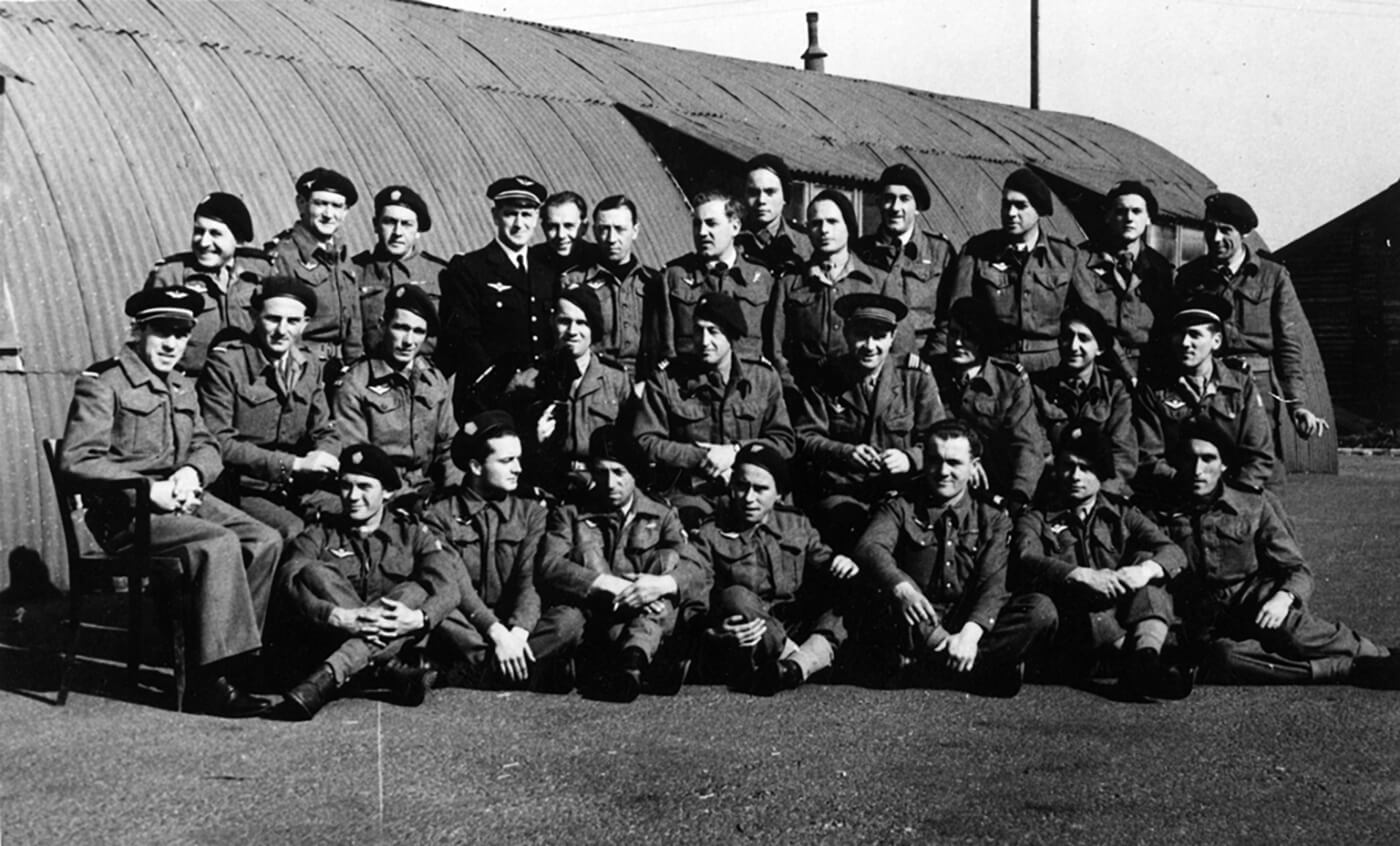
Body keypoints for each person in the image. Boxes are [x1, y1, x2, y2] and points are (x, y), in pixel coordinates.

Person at [59, 287, 280, 717]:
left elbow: (207, 444)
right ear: (138, 331)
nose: (172, 344)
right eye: (162, 331)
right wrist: (146, 488)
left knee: (264, 539)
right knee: (217, 545)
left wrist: (192, 472)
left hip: (180, 499)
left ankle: (233, 663)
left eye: (181, 334)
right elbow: (77, 459)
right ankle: (207, 681)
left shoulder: (181, 385)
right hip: (129, 515)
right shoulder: (104, 384)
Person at [1152, 420, 1399, 688]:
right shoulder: (1160, 509)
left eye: (1208, 459)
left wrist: (1284, 597)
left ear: (1223, 465)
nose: (1198, 470)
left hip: (1250, 603)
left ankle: (1377, 654)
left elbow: (1297, 569)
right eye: (1189, 459)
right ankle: (1334, 669)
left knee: (1292, 628)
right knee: (1224, 658)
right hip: (1197, 618)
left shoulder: (1253, 504)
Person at [853, 420, 1056, 695]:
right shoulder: (901, 505)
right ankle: (974, 671)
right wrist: (901, 587)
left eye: (954, 463)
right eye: (934, 461)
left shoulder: (993, 517)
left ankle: (932, 669)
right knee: (881, 597)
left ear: (974, 466)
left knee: (1040, 610)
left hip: (967, 620)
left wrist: (970, 636)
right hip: (917, 617)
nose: (942, 471)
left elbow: (993, 583)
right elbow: (870, 546)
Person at [276, 444, 457, 720]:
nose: (352, 496)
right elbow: (288, 578)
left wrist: (419, 619)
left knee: (415, 591)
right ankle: (386, 668)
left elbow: (448, 587)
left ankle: (330, 675)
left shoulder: (412, 533)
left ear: (387, 492)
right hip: (333, 637)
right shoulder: (320, 532)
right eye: (346, 486)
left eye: (364, 487)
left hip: (400, 635)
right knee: (313, 572)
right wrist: (337, 616)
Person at [1012, 423, 1190, 699]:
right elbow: (1026, 557)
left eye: (1086, 468)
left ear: (1102, 473)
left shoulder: (1121, 512)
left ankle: (1145, 659)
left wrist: (1143, 571)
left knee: (1148, 564)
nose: (1075, 476)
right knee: (1074, 596)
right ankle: (1137, 665)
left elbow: (1173, 552)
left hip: (1120, 615)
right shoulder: (1036, 516)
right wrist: (1080, 574)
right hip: (1073, 631)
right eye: (1068, 466)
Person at [537, 427, 708, 702]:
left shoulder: (662, 515)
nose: (610, 482)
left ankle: (632, 663)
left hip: (644, 615)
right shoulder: (570, 513)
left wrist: (658, 585)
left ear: (635, 474)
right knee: (567, 620)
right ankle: (636, 666)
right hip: (593, 613)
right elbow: (550, 565)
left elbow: (696, 569)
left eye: (619, 472)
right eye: (601, 471)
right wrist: (607, 584)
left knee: (667, 567)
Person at [423, 412, 583, 690]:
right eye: (507, 461)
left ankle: (482, 671)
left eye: (518, 459)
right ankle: (522, 670)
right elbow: (457, 587)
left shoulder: (531, 512)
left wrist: (517, 635)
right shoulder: (439, 516)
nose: (519, 468)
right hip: (470, 622)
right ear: (475, 467)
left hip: (516, 624)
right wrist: (496, 633)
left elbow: (529, 580)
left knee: (570, 619)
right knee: (438, 611)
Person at [1174, 192, 1330, 471]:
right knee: (1206, 468)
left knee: (1259, 470)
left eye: (1226, 231)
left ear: (1243, 233)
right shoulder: (1190, 277)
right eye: (1210, 230)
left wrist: (1298, 406)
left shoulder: (1273, 276)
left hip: (1257, 388)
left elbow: (1289, 346)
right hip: (1206, 385)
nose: (1216, 238)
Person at [692, 444, 854, 694]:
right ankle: (806, 661)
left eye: (760, 489)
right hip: (751, 630)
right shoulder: (711, 532)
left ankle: (792, 668)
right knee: (736, 596)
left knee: (846, 596)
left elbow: (823, 561)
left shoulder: (796, 523)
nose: (748, 498)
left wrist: (841, 562)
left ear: (779, 494)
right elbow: (695, 598)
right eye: (741, 486)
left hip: (792, 622)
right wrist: (713, 631)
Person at [794, 294, 945, 549]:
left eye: (879, 337)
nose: (869, 346)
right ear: (846, 334)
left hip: (902, 494)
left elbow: (938, 439)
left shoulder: (915, 378)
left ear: (892, 337)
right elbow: (805, 437)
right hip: (845, 493)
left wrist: (909, 459)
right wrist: (846, 453)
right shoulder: (826, 378)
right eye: (861, 335)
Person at [634, 292, 795, 527]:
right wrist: (702, 458)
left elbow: (784, 441)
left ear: (731, 335)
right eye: (698, 330)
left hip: (753, 493)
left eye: (713, 331)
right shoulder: (668, 380)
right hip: (693, 492)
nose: (703, 340)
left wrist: (735, 452)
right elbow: (645, 440)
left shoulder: (763, 378)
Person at [197, 277, 341, 540]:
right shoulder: (227, 364)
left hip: (295, 487)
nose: (281, 330)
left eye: (293, 321)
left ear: (305, 323)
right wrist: (294, 464)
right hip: (242, 488)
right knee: (292, 531)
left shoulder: (310, 365)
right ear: (254, 316)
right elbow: (219, 441)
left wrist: (325, 456)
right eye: (273, 319)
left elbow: (325, 431)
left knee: (349, 518)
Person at [944, 168, 1095, 373]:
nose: (1011, 213)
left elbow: (1094, 319)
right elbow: (954, 315)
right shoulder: (977, 251)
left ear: (1039, 210)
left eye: (1021, 206)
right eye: (1006, 205)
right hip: (996, 366)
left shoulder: (1065, 256)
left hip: (1051, 367)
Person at [1136, 294, 1274, 498]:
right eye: (1179, 334)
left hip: (1235, 491)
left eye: (1194, 335)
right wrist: (1187, 483)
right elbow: (1148, 456)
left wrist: (1233, 493)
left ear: (1216, 341)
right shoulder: (1155, 388)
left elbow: (1259, 453)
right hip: (1174, 492)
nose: (1184, 343)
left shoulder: (1240, 384)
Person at [333, 284, 460, 503]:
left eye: (418, 332)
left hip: (432, 493)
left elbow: (449, 447)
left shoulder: (435, 380)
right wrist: (402, 498)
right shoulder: (356, 384)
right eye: (401, 328)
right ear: (383, 326)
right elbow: (358, 460)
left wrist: (455, 495)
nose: (409, 341)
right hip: (381, 498)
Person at [437, 175, 555, 399]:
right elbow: (464, 337)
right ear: (495, 216)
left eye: (527, 215)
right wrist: (505, 380)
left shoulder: (546, 271)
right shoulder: (470, 268)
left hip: (539, 393)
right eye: (510, 214)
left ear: (537, 218)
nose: (519, 224)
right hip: (489, 394)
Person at [767, 189, 891, 395]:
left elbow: (899, 350)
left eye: (832, 222)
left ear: (849, 227)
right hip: (805, 395)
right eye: (816, 223)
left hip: (860, 397)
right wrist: (792, 390)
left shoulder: (879, 282)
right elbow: (776, 348)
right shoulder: (790, 284)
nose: (824, 230)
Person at [931, 297, 1048, 509]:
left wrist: (1019, 494)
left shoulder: (1009, 383)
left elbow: (1027, 445)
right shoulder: (931, 373)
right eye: (954, 333)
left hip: (992, 489)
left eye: (968, 337)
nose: (957, 343)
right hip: (939, 478)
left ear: (984, 340)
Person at [643, 190, 774, 370]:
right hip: (691, 384)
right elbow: (664, 347)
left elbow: (773, 346)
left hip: (746, 384)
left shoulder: (760, 278)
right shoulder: (675, 277)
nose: (702, 232)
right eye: (697, 224)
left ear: (735, 227)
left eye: (711, 224)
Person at [145, 191, 270, 374]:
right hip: (191, 388)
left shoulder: (261, 273)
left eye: (215, 234)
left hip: (248, 388)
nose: (204, 242)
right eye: (198, 231)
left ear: (239, 240)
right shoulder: (171, 276)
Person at [527, 287, 631, 500]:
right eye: (564, 321)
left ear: (594, 328)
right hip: (547, 485)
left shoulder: (616, 380)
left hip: (600, 486)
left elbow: (631, 445)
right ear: (553, 323)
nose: (572, 331)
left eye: (582, 323)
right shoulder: (530, 380)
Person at [1029, 305, 1137, 496]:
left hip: (1103, 491)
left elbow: (1123, 454)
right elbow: (1038, 449)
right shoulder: (1037, 387)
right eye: (1067, 337)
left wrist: (1100, 494)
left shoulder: (1115, 390)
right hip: (1052, 488)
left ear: (1100, 348)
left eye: (1084, 339)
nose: (1073, 346)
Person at [264, 167, 362, 376]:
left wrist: (356, 369)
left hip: (342, 370)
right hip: (301, 367)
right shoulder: (284, 255)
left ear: (345, 212)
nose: (328, 214)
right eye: (320, 204)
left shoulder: (342, 256)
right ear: (302, 204)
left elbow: (354, 322)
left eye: (336, 206)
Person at [1076, 181, 1175, 384]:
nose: (1129, 218)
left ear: (1148, 218)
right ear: (1108, 216)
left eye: (1137, 211)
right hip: (1097, 367)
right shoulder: (1083, 259)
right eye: (1121, 211)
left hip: (1146, 370)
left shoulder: (1160, 268)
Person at [853, 164, 956, 357]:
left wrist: (930, 362)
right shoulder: (861, 251)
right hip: (874, 356)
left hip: (927, 359)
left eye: (904, 199)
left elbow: (949, 317)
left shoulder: (939, 252)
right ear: (878, 202)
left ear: (917, 207)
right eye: (889, 199)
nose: (895, 208)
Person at [560, 194, 657, 384]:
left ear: (635, 231)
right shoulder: (575, 281)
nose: (611, 238)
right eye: (604, 229)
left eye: (620, 229)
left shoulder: (653, 282)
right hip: (594, 383)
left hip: (643, 385)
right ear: (595, 231)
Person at [351, 185, 446, 359]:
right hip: (368, 373)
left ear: (418, 231)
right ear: (375, 225)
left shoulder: (440, 274)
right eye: (389, 222)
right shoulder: (354, 271)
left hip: (424, 374)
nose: (397, 232)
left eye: (407, 224)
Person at [734, 154, 811, 275]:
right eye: (753, 192)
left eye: (770, 192)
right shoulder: (731, 239)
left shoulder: (805, 245)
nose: (761, 200)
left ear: (785, 196)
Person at [532, 191, 597, 281]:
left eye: (569, 226)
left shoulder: (599, 258)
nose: (561, 235)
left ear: (584, 227)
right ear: (544, 227)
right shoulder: (531, 259)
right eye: (553, 227)